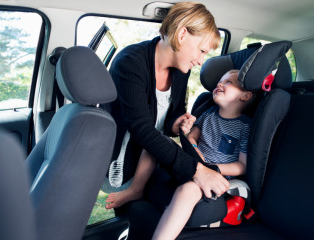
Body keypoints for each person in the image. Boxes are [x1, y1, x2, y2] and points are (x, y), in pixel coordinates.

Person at [104, 2, 229, 210]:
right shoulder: (130, 63)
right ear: (182, 35)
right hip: (125, 156)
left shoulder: (181, 69)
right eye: (201, 51)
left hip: (155, 154)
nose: (200, 61)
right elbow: (141, 129)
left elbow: (173, 113)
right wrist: (198, 171)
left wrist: (176, 123)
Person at [152, 69, 254, 240]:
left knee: (189, 190)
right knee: (157, 141)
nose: (220, 84)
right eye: (220, 81)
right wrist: (194, 148)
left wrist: (212, 168)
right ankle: (135, 190)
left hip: (215, 176)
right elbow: (192, 137)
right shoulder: (209, 113)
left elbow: (242, 166)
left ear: (245, 96)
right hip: (192, 163)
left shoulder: (245, 126)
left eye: (228, 82)